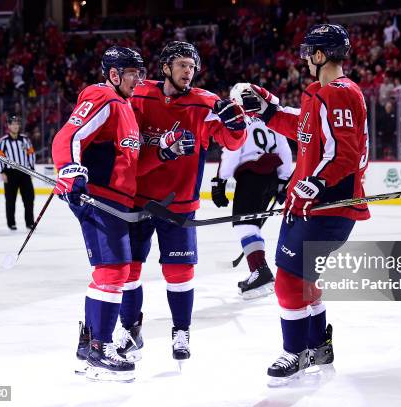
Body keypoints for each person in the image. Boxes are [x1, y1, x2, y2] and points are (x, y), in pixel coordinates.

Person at [250, 24, 370, 384]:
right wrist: (269, 111)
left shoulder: (339, 93)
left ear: (320, 55)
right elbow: (303, 128)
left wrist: (313, 184)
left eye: (308, 53)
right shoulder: (320, 93)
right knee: (304, 280)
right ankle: (318, 345)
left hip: (326, 206)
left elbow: (344, 154)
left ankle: (295, 352)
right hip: (313, 206)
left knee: (288, 280)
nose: (304, 59)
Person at [117, 41, 247, 363]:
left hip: (179, 204)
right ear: (165, 68)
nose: (188, 72)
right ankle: (131, 330)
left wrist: (237, 126)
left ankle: (181, 331)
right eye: (182, 65)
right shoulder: (139, 94)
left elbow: (231, 141)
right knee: (129, 271)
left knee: (179, 272)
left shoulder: (206, 104)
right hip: (137, 202)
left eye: (192, 66)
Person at [51, 45, 148, 382]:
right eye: (132, 73)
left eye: (139, 72)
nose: (138, 79)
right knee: (114, 270)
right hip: (100, 199)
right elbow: (69, 135)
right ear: (114, 74)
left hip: (116, 201)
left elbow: (128, 158)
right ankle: (100, 349)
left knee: (111, 271)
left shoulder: (125, 107)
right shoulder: (103, 97)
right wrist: (71, 171)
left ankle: (89, 346)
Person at [211, 82, 293, 299]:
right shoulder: (271, 117)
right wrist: (284, 181)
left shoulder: (238, 119)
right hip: (271, 175)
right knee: (251, 225)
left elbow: (232, 150)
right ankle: (259, 269)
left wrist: (220, 181)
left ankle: (260, 271)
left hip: (251, 176)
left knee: (243, 225)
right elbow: (284, 148)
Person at [0, 116, 35, 230]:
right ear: (8, 126)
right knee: (10, 200)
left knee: (29, 198)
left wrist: (31, 169)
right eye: (13, 124)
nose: (15, 126)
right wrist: (2, 172)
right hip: (10, 173)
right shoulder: (3, 141)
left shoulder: (25, 139)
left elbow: (31, 154)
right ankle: (11, 223)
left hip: (24, 173)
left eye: (17, 124)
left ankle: (30, 222)